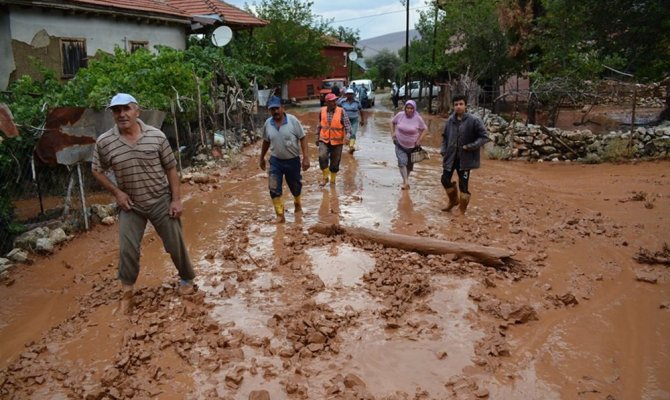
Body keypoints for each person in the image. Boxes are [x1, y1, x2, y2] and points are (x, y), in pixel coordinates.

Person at [91, 93, 196, 314]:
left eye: (126, 109)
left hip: (160, 199)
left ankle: (187, 278)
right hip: (131, 205)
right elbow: (96, 170)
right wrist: (117, 193)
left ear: (137, 111)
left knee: (174, 242)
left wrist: (176, 200)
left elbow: (171, 168)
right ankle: (127, 292)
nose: (121, 114)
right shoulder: (105, 142)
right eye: (116, 110)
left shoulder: (156, 136)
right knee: (127, 249)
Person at [259, 96, 310, 223]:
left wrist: (306, 158)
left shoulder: (293, 121)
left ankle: (297, 203)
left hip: (292, 160)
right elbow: (266, 141)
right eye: (272, 109)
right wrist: (261, 158)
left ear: (283, 108)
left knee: (295, 187)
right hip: (276, 160)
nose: (275, 112)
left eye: (277, 108)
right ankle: (280, 215)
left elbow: (303, 138)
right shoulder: (268, 124)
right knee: (273, 187)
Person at [440, 94, 490, 214]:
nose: (458, 107)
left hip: (466, 159)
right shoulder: (450, 120)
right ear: (453, 106)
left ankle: (462, 209)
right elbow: (444, 137)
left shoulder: (474, 120)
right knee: (444, 179)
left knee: (464, 185)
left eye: (461, 104)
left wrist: (471, 146)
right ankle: (453, 200)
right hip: (451, 157)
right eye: (456, 104)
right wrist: (443, 149)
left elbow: (484, 137)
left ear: (465, 105)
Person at [316, 93, 352, 186]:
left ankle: (332, 181)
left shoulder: (341, 111)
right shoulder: (322, 111)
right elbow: (319, 125)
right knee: (322, 156)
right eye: (332, 101)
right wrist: (317, 137)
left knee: (335, 162)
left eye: (335, 100)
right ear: (327, 102)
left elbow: (348, 126)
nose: (334, 102)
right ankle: (325, 177)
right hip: (324, 139)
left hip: (337, 141)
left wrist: (347, 137)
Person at [391, 100, 427, 190]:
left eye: (411, 108)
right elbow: (392, 122)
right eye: (408, 108)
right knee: (402, 162)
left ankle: (405, 180)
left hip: (413, 146)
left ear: (414, 109)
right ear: (405, 108)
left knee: (409, 166)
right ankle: (406, 181)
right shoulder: (400, 115)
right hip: (399, 144)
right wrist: (393, 133)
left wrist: (419, 140)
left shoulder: (418, 118)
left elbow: (425, 129)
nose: (409, 110)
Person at [337, 88, 365, 153]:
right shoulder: (342, 102)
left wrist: (362, 120)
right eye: (348, 94)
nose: (349, 95)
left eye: (351, 94)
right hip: (345, 120)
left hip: (354, 120)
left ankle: (351, 146)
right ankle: (346, 143)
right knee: (346, 133)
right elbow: (337, 109)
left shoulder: (357, 102)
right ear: (346, 95)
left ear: (353, 95)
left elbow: (361, 110)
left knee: (353, 133)